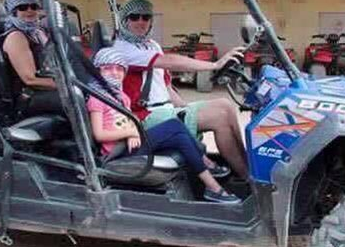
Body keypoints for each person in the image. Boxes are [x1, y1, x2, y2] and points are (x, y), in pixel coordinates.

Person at [113, 0, 249, 178]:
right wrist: (214, 65)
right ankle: (246, 178)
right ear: (124, 20)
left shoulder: (151, 45)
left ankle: (248, 165)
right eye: (134, 17)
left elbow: (167, 86)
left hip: (164, 109)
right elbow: (168, 61)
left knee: (226, 106)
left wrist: (187, 109)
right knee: (219, 117)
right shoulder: (122, 49)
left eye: (146, 17)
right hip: (144, 116)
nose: (141, 21)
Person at [86, 48, 240, 203]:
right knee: (174, 127)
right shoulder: (97, 99)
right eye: (108, 68)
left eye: (119, 69)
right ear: (98, 71)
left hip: (131, 142)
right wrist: (130, 133)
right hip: (117, 151)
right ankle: (211, 182)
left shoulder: (121, 96)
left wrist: (133, 130)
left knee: (178, 133)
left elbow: (131, 119)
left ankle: (209, 181)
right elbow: (99, 134)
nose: (114, 73)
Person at [0, 0, 65, 118]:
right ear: (14, 12)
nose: (30, 10)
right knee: (77, 98)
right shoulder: (16, 37)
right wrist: (65, 85)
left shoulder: (38, 32)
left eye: (34, 6)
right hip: (29, 96)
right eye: (23, 7)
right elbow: (30, 79)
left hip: (45, 89)